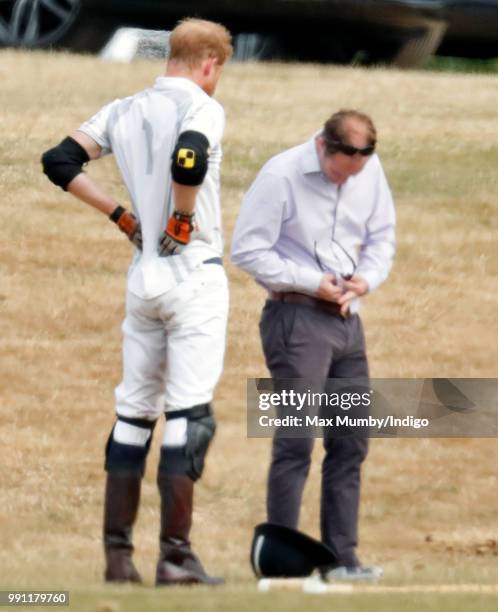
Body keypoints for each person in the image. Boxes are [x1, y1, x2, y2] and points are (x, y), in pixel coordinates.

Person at [41, 18, 233, 586]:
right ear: (209, 64)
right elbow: (190, 157)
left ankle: (117, 558)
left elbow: (59, 161)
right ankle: (175, 558)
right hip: (193, 273)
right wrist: (181, 215)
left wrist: (121, 215)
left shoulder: (122, 108)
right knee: (189, 415)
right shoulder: (202, 105)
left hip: (143, 276)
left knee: (133, 413)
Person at [231, 109, 396, 580]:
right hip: (295, 318)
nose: (345, 182)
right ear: (323, 146)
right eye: (339, 172)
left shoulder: (370, 171)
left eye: (355, 174)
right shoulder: (281, 174)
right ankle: (282, 561)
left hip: (348, 320)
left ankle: (341, 558)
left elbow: (382, 237)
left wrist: (365, 280)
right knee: (297, 440)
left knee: (349, 442)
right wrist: (310, 281)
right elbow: (247, 249)